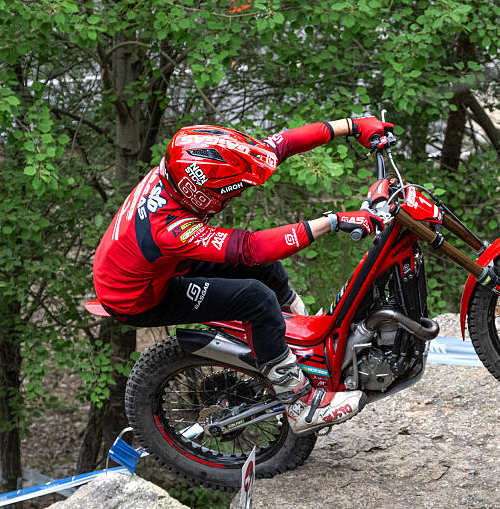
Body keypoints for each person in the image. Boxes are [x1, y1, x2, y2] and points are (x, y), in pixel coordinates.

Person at [93, 116, 393, 434]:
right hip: (137, 295)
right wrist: (333, 221)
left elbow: (283, 144)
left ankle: (298, 345)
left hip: (154, 263)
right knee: (256, 297)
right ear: (201, 193)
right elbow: (251, 248)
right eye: (228, 194)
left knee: (268, 272)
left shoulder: (181, 174)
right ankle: (299, 404)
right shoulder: (167, 228)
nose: (232, 197)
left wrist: (353, 125)